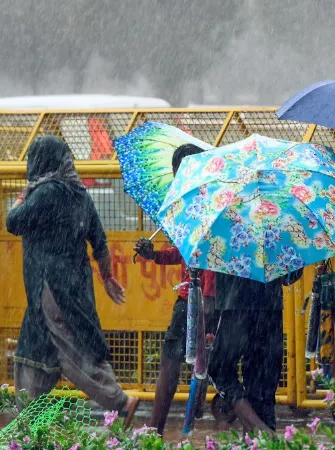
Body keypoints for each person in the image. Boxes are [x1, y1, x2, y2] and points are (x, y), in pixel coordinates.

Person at [6, 136, 139, 429]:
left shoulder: (47, 193)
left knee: (70, 348)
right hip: (71, 286)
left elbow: (13, 222)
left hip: (51, 286)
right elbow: (100, 244)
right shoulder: (80, 194)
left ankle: (118, 401)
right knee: (35, 346)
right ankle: (29, 420)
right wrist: (107, 278)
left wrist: (21, 197)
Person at [133, 143, 217, 436]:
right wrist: (154, 255)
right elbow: (184, 253)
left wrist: (207, 295)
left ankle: (156, 428)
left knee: (177, 361)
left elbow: (210, 253)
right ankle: (165, 427)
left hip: (202, 299)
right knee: (187, 361)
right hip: (191, 295)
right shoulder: (190, 204)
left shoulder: (208, 204)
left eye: (179, 172)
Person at [208, 269, 302, 433]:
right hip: (269, 310)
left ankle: (261, 430)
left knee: (219, 370)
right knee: (262, 392)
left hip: (235, 305)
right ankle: (263, 432)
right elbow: (290, 277)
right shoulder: (282, 242)